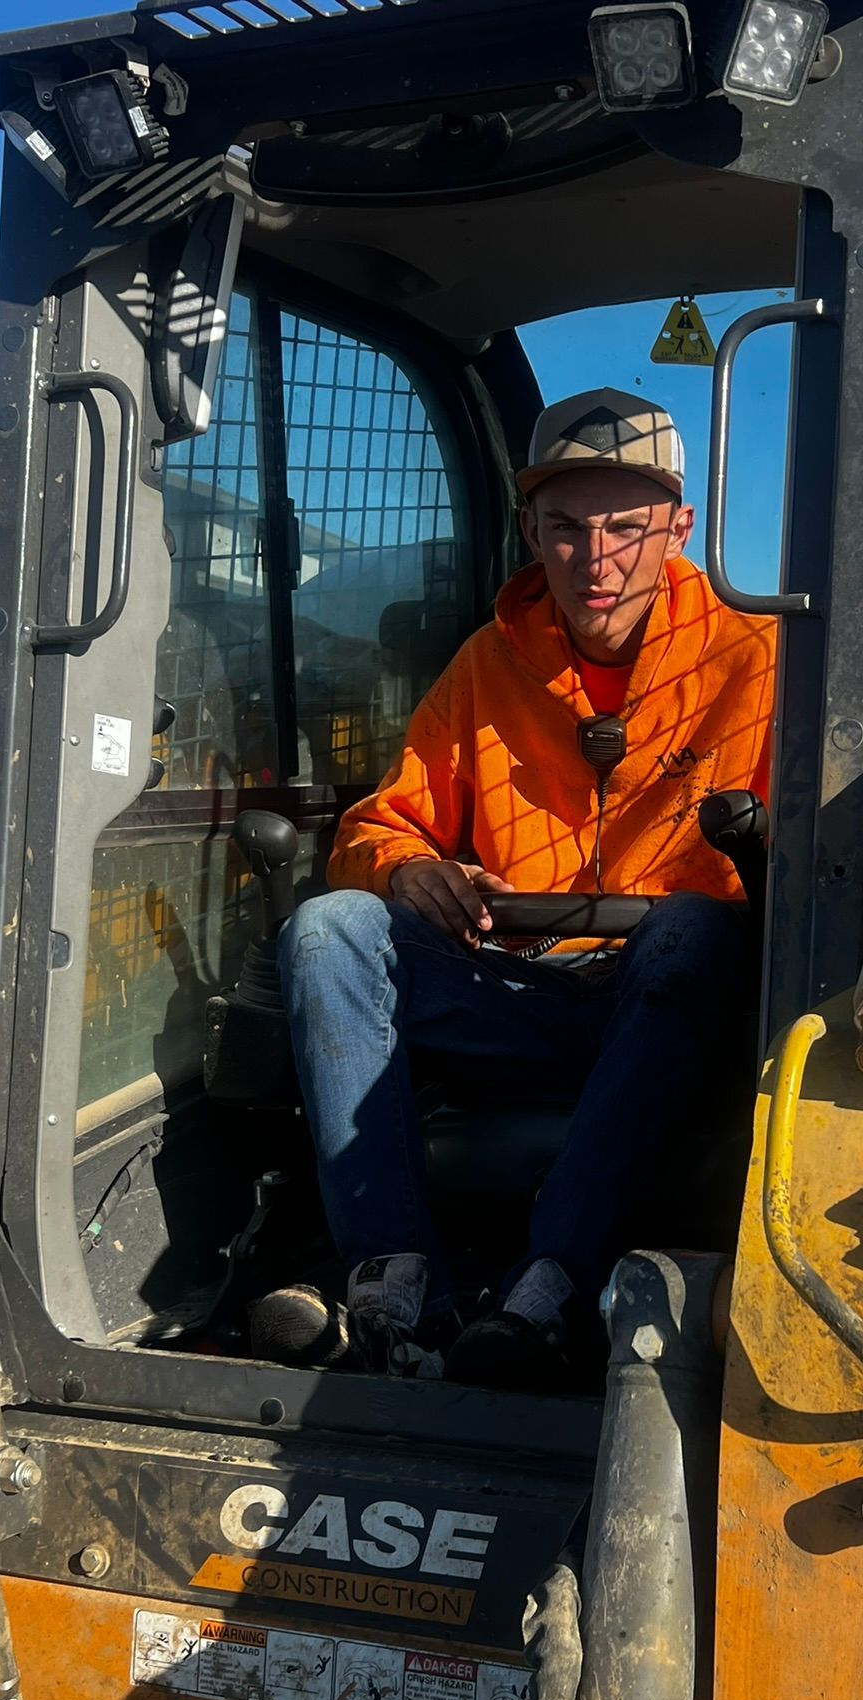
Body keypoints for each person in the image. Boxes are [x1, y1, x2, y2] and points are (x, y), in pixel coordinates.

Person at [280, 389, 777, 1383]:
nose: (598, 560)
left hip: (672, 1002)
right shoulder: (484, 668)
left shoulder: (756, 663)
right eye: (568, 528)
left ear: (681, 528)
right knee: (328, 928)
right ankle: (393, 1276)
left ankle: (548, 1281)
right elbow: (377, 825)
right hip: (513, 988)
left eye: (627, 528)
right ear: (531, 532)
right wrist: (410, 866)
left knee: (686, 930)